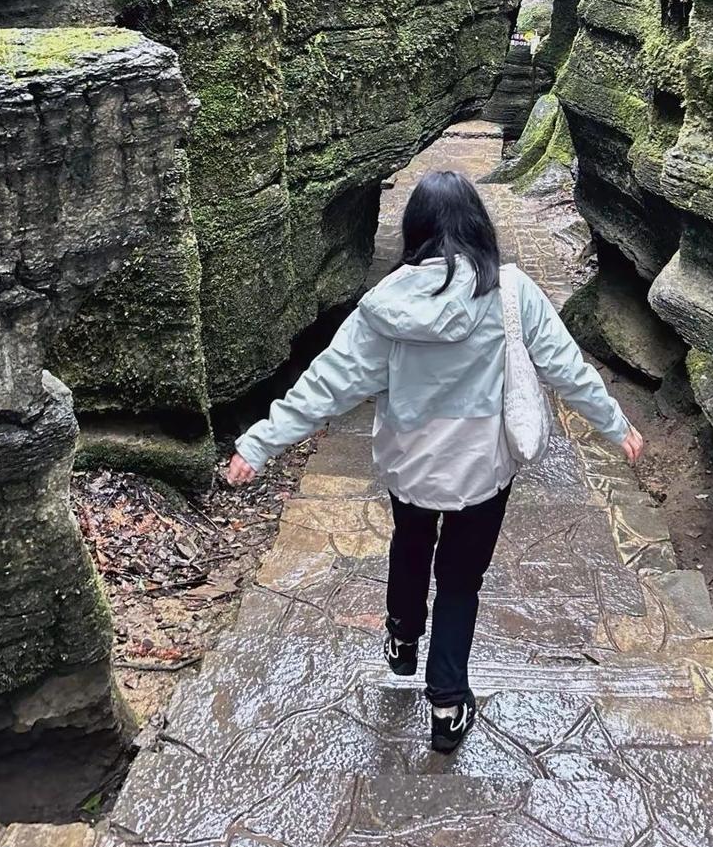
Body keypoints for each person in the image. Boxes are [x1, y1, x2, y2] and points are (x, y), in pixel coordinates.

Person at [226, 168, 643, 753]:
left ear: (415, 229)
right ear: (478, 226)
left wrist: (259, 443)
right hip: (482, 468)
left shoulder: (383, 306)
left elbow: (328, 384)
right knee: (459, 581)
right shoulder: (513, 293)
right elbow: (566, 367)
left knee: (411, 541)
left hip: (411, 464)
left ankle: (401, 641)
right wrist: (614, 424)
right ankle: (447, 703)